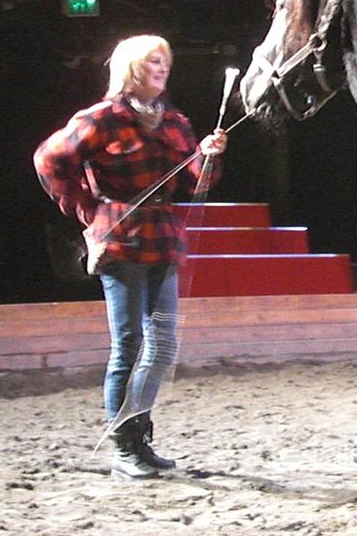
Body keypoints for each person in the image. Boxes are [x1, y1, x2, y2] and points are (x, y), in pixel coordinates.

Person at [34, 35, 228, 479]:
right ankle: (123, 444)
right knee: (129, 346)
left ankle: (139, 435)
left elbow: (196, 183)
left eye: (165, 61)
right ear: (130, 69)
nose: (162, 68)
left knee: (162, 344)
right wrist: (86, 211)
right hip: (120, 239)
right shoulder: (99, 119)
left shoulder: (176, 121)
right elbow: (49, 161)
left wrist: (208, 159)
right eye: (153, 62)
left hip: (163, 238)